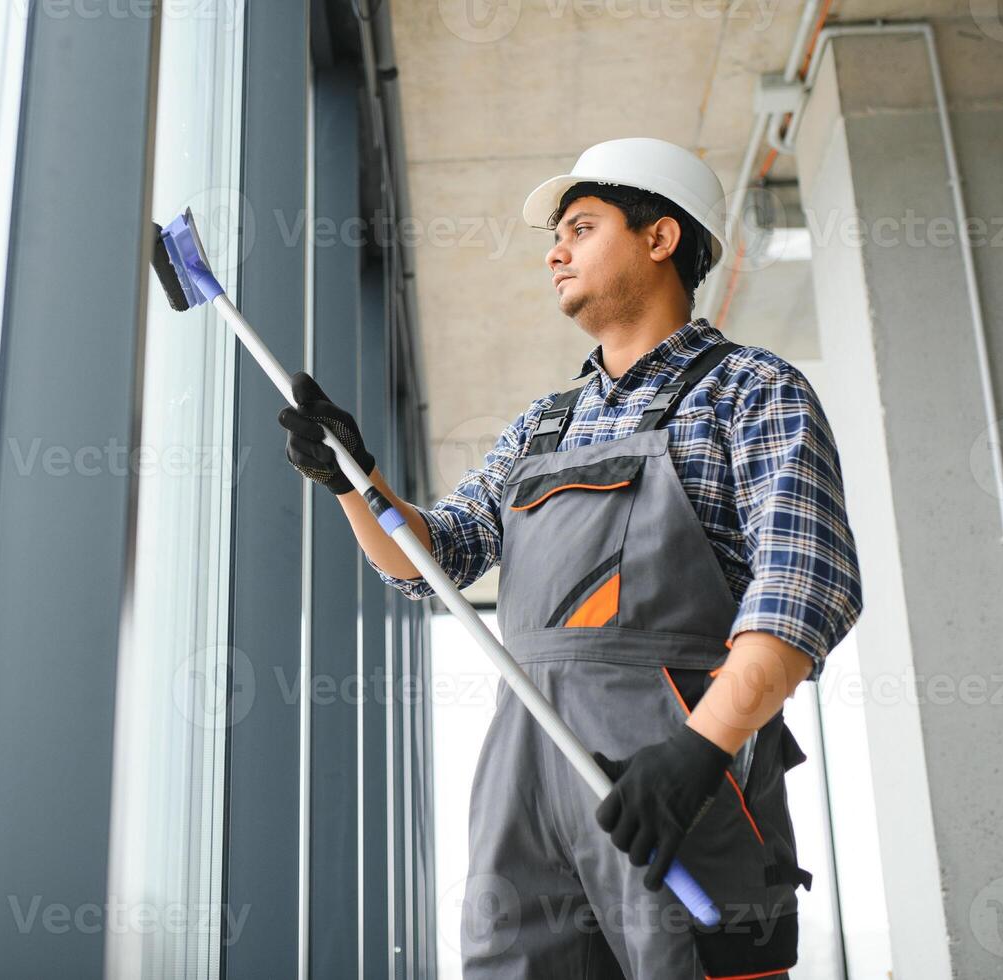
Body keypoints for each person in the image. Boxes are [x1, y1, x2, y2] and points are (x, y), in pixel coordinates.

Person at [277, 136, 862, 979]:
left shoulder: (750, 390)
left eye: (581, 227)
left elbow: (804, 589)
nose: (554, 250)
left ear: (659, 238)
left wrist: (699, 752)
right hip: (525, 777)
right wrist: (351, 479)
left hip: (676, 780)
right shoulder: (542, 424)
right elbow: (429, 560)